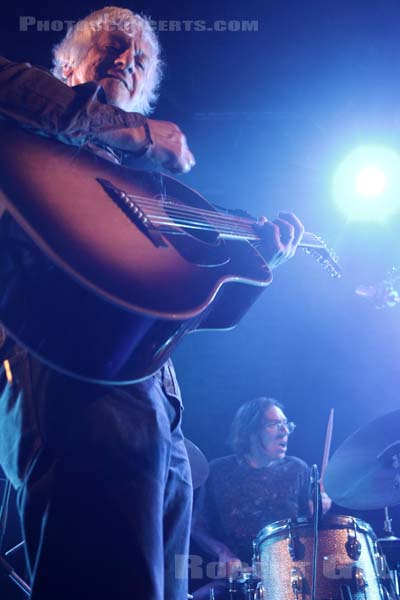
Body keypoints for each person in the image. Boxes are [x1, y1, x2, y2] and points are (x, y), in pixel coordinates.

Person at [0, 7, 305, 600]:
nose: (124, 61)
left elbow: (183, 301)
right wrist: (136, 131)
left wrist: (258, 257)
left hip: (156, 401)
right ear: (65, 65)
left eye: (138, 59)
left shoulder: (143, 188)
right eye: (109, 48)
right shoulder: (28, 138)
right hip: (68, 374)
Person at [191, 397, 331, 598]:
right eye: (275, 424)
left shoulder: (297, 469)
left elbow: (310, 527)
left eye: (286, 424)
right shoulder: (218, 471)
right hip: (236, 580)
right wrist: (223, 552)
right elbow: (197, 526)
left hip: (289, 578)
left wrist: (320, 508)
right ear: (250, 431)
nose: (285, 431)